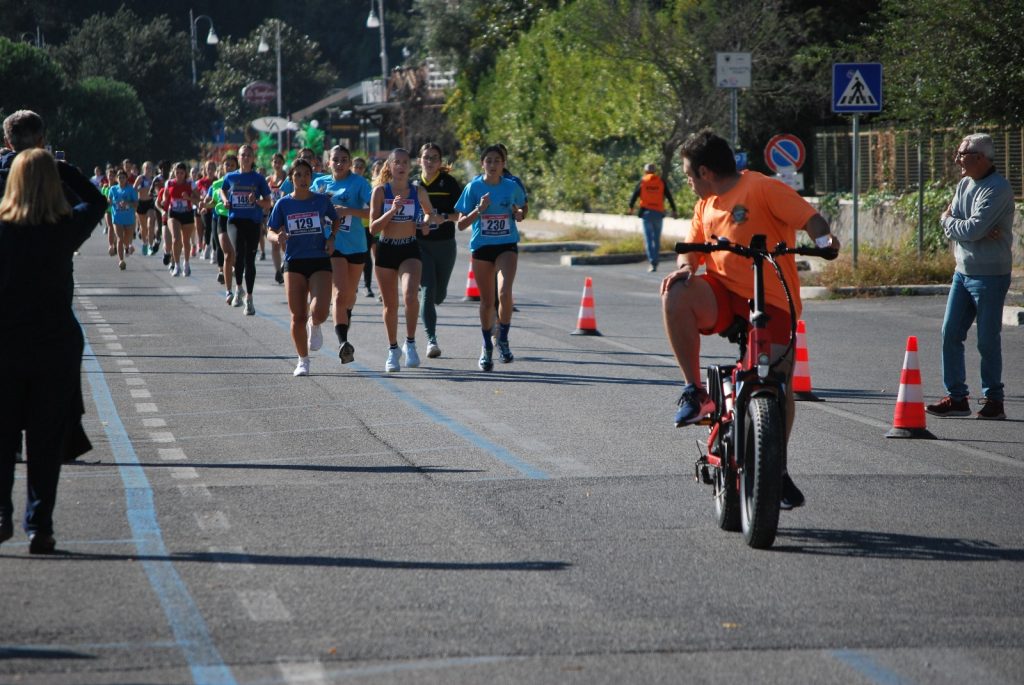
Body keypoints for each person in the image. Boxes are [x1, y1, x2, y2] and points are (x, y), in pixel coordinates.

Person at [660, 129, 839, 508]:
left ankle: (777, 467)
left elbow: (811, 219)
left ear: (705, 171)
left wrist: (825, 242)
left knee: (779, 384)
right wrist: (685, 269)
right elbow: (690, 252)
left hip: (772, 300)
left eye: (689, 175)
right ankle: (696, 392)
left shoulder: (762, 188)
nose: (688, 182)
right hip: (723, 298)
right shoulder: (704, 205)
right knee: (675, 292)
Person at [0, 148, 108, 553]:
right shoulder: (64, 225)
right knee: (46, 440)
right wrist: (63, 167)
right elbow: (97, 200)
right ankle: (39, 525)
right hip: (54, 342)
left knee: (3, 433)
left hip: (6, 340)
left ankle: (0, 514)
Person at [925, 134, 1015, 421]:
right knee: (950, 333)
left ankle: (994, 400)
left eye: (961, 154)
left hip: (990, 274)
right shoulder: (964, 183)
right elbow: (962, 225)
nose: (956, 159)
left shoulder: (998, 188)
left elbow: (971, 228)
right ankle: (957, 397)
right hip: (961, 272)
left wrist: (958, 223)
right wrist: (957, 223)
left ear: (980, 157)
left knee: (987, 340)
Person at [455, 144, 526, 371]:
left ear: (503, 164)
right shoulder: (473, 187)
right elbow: (461, 224)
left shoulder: (511, 187)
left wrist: (519, 214)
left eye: (497, 161)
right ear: (482, 164)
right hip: (482, 248)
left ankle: (503, 339)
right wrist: (479, 209)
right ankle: (486, 347)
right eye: (489, 161)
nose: (493, 165)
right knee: (487, 302)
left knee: (504, 293)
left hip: (506, 245)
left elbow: (522, 210)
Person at [369, 148, 439, 372]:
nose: (401, 166)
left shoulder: (418, 191)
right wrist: (392, 210)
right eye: (396, 162)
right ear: (389, 166)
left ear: (410, 167)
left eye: (405, 163)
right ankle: (393, 349)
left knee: (410, 296)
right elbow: (373, 228)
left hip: (409, 247)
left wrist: (426, 222)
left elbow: (430, 213)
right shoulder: (380, 192)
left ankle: (410, 343)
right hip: (386, 249)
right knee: (390, 305)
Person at [267, 159, 338, 376]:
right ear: (291, 179)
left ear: (311, 177)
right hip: (294, 261)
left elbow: (335, 220)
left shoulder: (321, 201)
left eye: (306, 174)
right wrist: (277, 237)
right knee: (297, 315)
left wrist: (332, 238)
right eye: (297, 174)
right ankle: (302, 360)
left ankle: (315, 324)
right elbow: (270, 230)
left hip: (318, 259)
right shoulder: (284, 204)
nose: (302, 178)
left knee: (320, 310)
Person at [312, 145, 372, 364]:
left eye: (343, 160)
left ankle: (342, 324)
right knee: (339, 293)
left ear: (349, 162)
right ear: (329, 162)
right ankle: (343, 343)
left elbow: (373, 211)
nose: (339, 163)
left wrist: (348, 211)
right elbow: (305, 204)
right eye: (335, 160)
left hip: (356, 245)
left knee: (349, 296)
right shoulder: (320, 184)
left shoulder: (359, 183)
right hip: (331, 244)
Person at [414, 143, 463, 358]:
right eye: (426, 157)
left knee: (439, 295)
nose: (430, 161)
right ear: (419, 160)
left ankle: (433, 300)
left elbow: (462, 214)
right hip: (419, 245)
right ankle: (431, 340)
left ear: (440, 162)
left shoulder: (449, 183)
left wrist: (443, 217)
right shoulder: (412, 185)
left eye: (434, 157)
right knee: (427, 290)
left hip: (445, 245)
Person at [220, 144, 273, 315]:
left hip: (252, 221)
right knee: (239, 254)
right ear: (239, 157)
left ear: (253, 159)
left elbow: (268, 202)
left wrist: (256, 201)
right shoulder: (230, 177)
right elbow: (222, 190)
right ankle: (238, 289)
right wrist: (225, 200)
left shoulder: (258, 179)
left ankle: (249, 298)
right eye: (243, 155)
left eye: (249, 155)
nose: (246, 158)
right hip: (235, 221)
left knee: (250, 260)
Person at [628, 162, 678, 271]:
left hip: (647, 214)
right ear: (655, 172)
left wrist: (630, 207)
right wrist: (674, 210)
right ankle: (656, 261)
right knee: (656, 239)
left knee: (649, 239)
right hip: (658, 214)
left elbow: (634, 195)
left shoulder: (643, 181)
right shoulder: (661, 182)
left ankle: (652, 263)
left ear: (645, 171)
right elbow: (669, 196)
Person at [160, 162, 201, 277]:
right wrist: (164, 202)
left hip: (187, 214)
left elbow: (198, 199)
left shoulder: (190, 184)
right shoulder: (169, 183)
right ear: (174, 172)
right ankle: (176, 265)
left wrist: (188, 198)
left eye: (181, 173)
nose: (179, 175)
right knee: (175, 239)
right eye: (177, 172)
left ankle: (186, 263)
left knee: (186, 241)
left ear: (185, 173)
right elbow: (166, 195)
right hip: (174, 214)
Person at [108, 169, 138, 270]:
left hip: (129, 218)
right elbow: (110, 200)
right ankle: (121, 260)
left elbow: (136, 204)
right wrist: (109, 202)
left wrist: (127, 203)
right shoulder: (113, 189)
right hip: (117, 217)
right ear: (117, 178)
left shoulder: (131, 189)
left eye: (123, 177)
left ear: (126, 179)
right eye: (119, 177)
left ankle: (127, 247)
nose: (121, 179)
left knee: (127, 239)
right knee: (120, 238)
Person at [134, 161, 159, 255]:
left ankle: (150, 245)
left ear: (152, 169)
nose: (148, 169)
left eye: (150, 167)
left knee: (150, 224)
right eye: (146, 167)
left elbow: (158, 191)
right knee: (143, 227)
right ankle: (145, 243)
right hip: (141, 203)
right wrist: (142, 189)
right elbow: (134, 189)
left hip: (150, 203)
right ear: (143, 169)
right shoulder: (140, 178)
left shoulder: (154, 179)